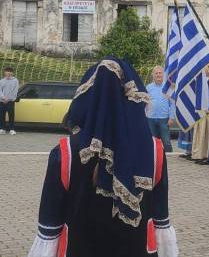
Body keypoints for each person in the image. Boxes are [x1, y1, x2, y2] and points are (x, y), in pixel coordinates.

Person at [27, 58, 178, 257]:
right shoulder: (154, 149)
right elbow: (160, 217)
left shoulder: (66, 152)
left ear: (88, 96)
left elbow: (49, 224)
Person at [145, 66, 174, 152]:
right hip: (150, 118)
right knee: (152, 141)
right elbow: (144, 102)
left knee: (166, 141)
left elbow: (172, 103)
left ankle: (169, 158)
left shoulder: (168, 87)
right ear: (153, 75)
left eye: (160, 73)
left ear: (163, 74)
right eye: (156, 73)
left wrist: (171, 117)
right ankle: (153, 158)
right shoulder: (148, 87)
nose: (158, 75)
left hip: (164, 119)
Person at [0, 67, 19, 135]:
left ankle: (12, 129)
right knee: (2, 115)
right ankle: (2, 129)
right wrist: (3, 98)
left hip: (10, 101)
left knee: (11, 115)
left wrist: (8, 99)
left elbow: (15, 91)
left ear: (12, 73)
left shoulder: (15, 81)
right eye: (7, 71)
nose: (8, 73)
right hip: (2, 101)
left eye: (10, 71)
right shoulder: (2, 81)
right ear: (4, 72)